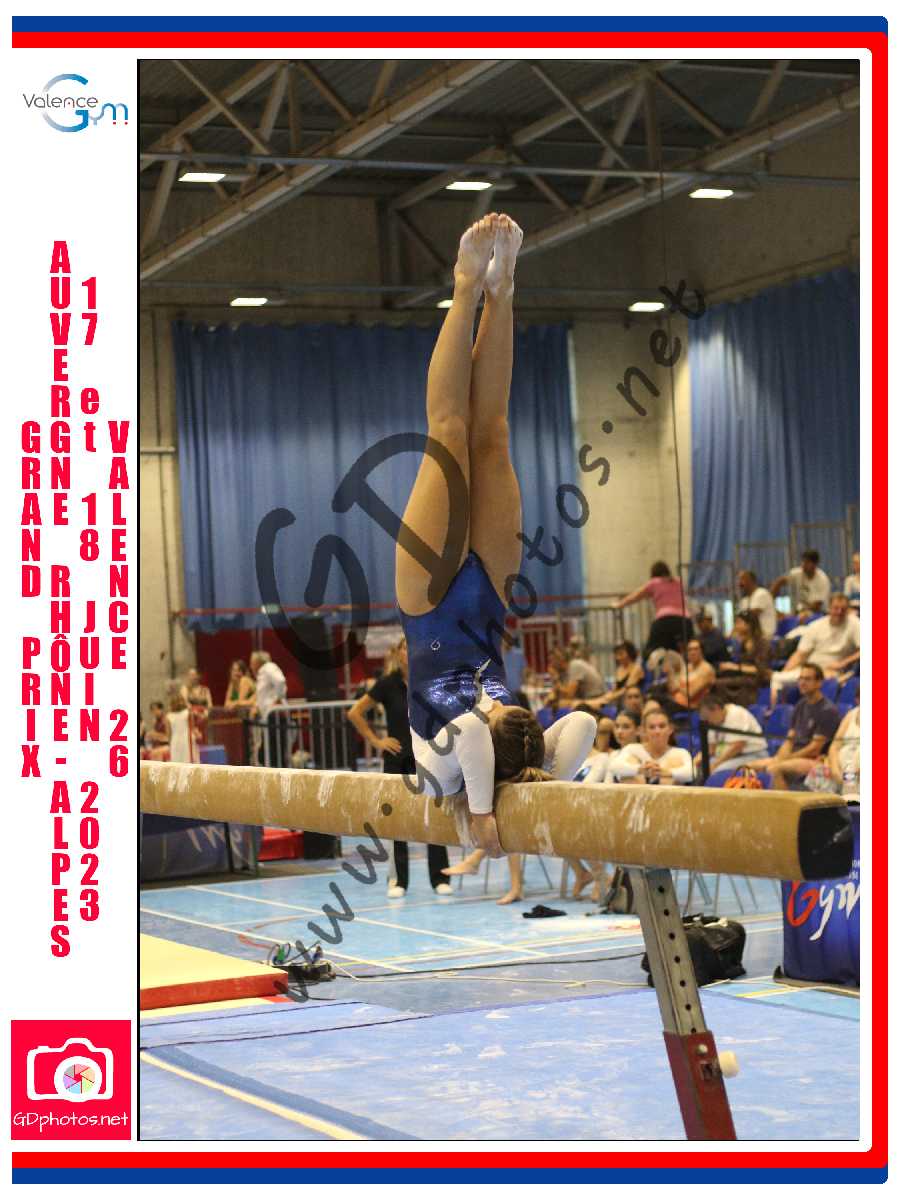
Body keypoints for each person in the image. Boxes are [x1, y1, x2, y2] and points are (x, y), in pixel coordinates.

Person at [394, 213, 595, 868]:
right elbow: (583, 725)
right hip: (487, 597)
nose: (524, 714)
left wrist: (481, 815)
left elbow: (471, 735)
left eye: (521, 721)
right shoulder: (531, 753)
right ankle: (503, 290)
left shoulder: (442, 771)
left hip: (429, 603)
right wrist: (548, 777)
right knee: (493, 434)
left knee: (449, 433)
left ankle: (463, 285)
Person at [345, 637, 451, 897]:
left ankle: (440, 876)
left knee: (433, 815)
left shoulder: (429, 682)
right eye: (405, 648)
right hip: (397, 759)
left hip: (427, 758)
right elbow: (355, 712)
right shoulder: (387, 684)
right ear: (397, 653)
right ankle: (398, 880)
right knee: (396, 819)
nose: (409, 652)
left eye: (413, 647)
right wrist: (377, 741)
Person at [748, 664, 841, 789]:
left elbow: (814, 749)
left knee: (774, 769)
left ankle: (784, 802)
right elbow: (790, 739)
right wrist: (780, 757)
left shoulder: (827, 710)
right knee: (748, 767)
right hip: (795, 756)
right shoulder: (800, 705)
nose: (802, 683)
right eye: (800, 679)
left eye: (807, 679)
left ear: (819, 683)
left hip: (816, 760)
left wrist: (787, 759)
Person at [769, 594, 860, 706]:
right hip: (810, 668)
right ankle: (776, 711)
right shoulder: (815, 626)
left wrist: (843, 663)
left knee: (811, 681)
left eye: (843, 609)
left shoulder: (854, 624)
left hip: (834, 671)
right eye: (836, 608)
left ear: (848, 610)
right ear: (829, 608)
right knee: (777, 678)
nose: (839, 612)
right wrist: (785, 671)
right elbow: (800, 655)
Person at [614, 561, 692, 659]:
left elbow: (635, 596)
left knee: (649, 651)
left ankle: (658, 658)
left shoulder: (654, 583)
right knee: (684, 650)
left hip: (665, 620)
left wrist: (619, 604)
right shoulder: (678, 581)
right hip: (684, 620)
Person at [610, 709, 694, 785]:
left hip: (667, 793)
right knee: (630, 764)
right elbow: (613, 767)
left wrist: (667, 772)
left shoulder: (680, 752)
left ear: (670, 729)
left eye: (662, 726)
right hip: (639, 792)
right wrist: (640, 769)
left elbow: (693, 773)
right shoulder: (632, 748)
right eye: (652, 727)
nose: (657, 731)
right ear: (644, 731)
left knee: (675, 762)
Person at [695, 690, 767, 776]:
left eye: (707, 717)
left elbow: (737, 746)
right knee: (700, 768)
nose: (707, 721)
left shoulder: (737, 713)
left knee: (718, 771)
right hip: (730, 756)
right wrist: (695, 761)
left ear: (716, 709)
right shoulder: (713, 722)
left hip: (752, 755)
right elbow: (711, 748)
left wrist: (715, 765)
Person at [717, 609, 770, 706]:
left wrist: (733, 667)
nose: (736, 626)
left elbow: (760, 670)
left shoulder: (762, 644)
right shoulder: (742, 643)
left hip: (757, 680)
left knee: (719, 684)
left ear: (749, 625)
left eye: (739, 622)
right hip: (743, 677)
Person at [250, 650, 288, 766]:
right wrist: (256, 706)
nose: (251, 666)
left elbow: (281, 681)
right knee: (268, 753)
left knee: (274, 752)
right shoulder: (262, 673)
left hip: (275, 716)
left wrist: (278, 699)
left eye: (252, 663)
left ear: (257, 662)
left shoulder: (269, 667)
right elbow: (263, 695)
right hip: (268, 717)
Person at [585, 641, 644, 709]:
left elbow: (625, 690)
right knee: (590, 703)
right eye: (616, 654)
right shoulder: (619, 669)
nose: (618, 657)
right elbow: (614, 690)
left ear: (630, 653)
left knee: (596, 703)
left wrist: (606, 699)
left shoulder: (636, 668)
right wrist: (604, 697)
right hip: (619, 701)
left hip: (632, 702)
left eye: (621, 654)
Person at [770, 549, 831, 615]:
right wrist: (770, 600)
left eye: (807, 562)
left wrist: (801, 609)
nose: (803, 565)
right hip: (800, 613)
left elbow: (817, 606)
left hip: (819, 614)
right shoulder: (797, 573)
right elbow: (779, 581)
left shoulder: (823, 580)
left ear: (815, 564)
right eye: (803, 561)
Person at [666, 639, 716, 710]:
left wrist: (677, 686)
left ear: (702, 651)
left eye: (696, 649)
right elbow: (672, 689)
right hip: (676, 702)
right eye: (689, 650)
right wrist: (670, 673)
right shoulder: (686, 667)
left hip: (692, 707)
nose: (692, 652)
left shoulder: (706, 669)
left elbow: (690, 693)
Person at [827, 704, 860, 798]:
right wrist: (835, 769)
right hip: (839, 771)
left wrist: (849, 777)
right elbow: (834, 746)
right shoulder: (851, 714)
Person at [736, 569, 777, 640]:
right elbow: (740, 620)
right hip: (750, 636)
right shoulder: (745, 600)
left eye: (743, 579)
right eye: (739, 579)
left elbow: (751, 617)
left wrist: (740, 618)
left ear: (751, 581)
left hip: (765, 636)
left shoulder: (761, 593)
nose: (740, 583)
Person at [165, 683, 198, 764]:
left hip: (176, 740)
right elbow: (192, 728)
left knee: (177, 762)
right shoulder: (188, 713)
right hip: (186, 739)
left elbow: (168, 734)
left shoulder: (169, 716)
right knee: (189, 762)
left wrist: (170, 744)